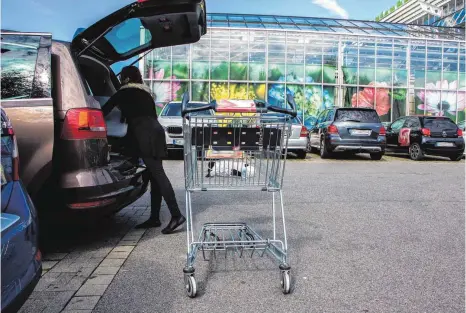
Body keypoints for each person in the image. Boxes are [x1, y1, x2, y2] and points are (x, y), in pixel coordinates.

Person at [102, 66, 185, 234]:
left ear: (125, 78)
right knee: (153, 175)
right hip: (156, 132)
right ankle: (154, 218)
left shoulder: (123, 93)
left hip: (145, 135)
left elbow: (103, 112)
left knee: (158, 174)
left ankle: (176, 215)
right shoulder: (145, 93)